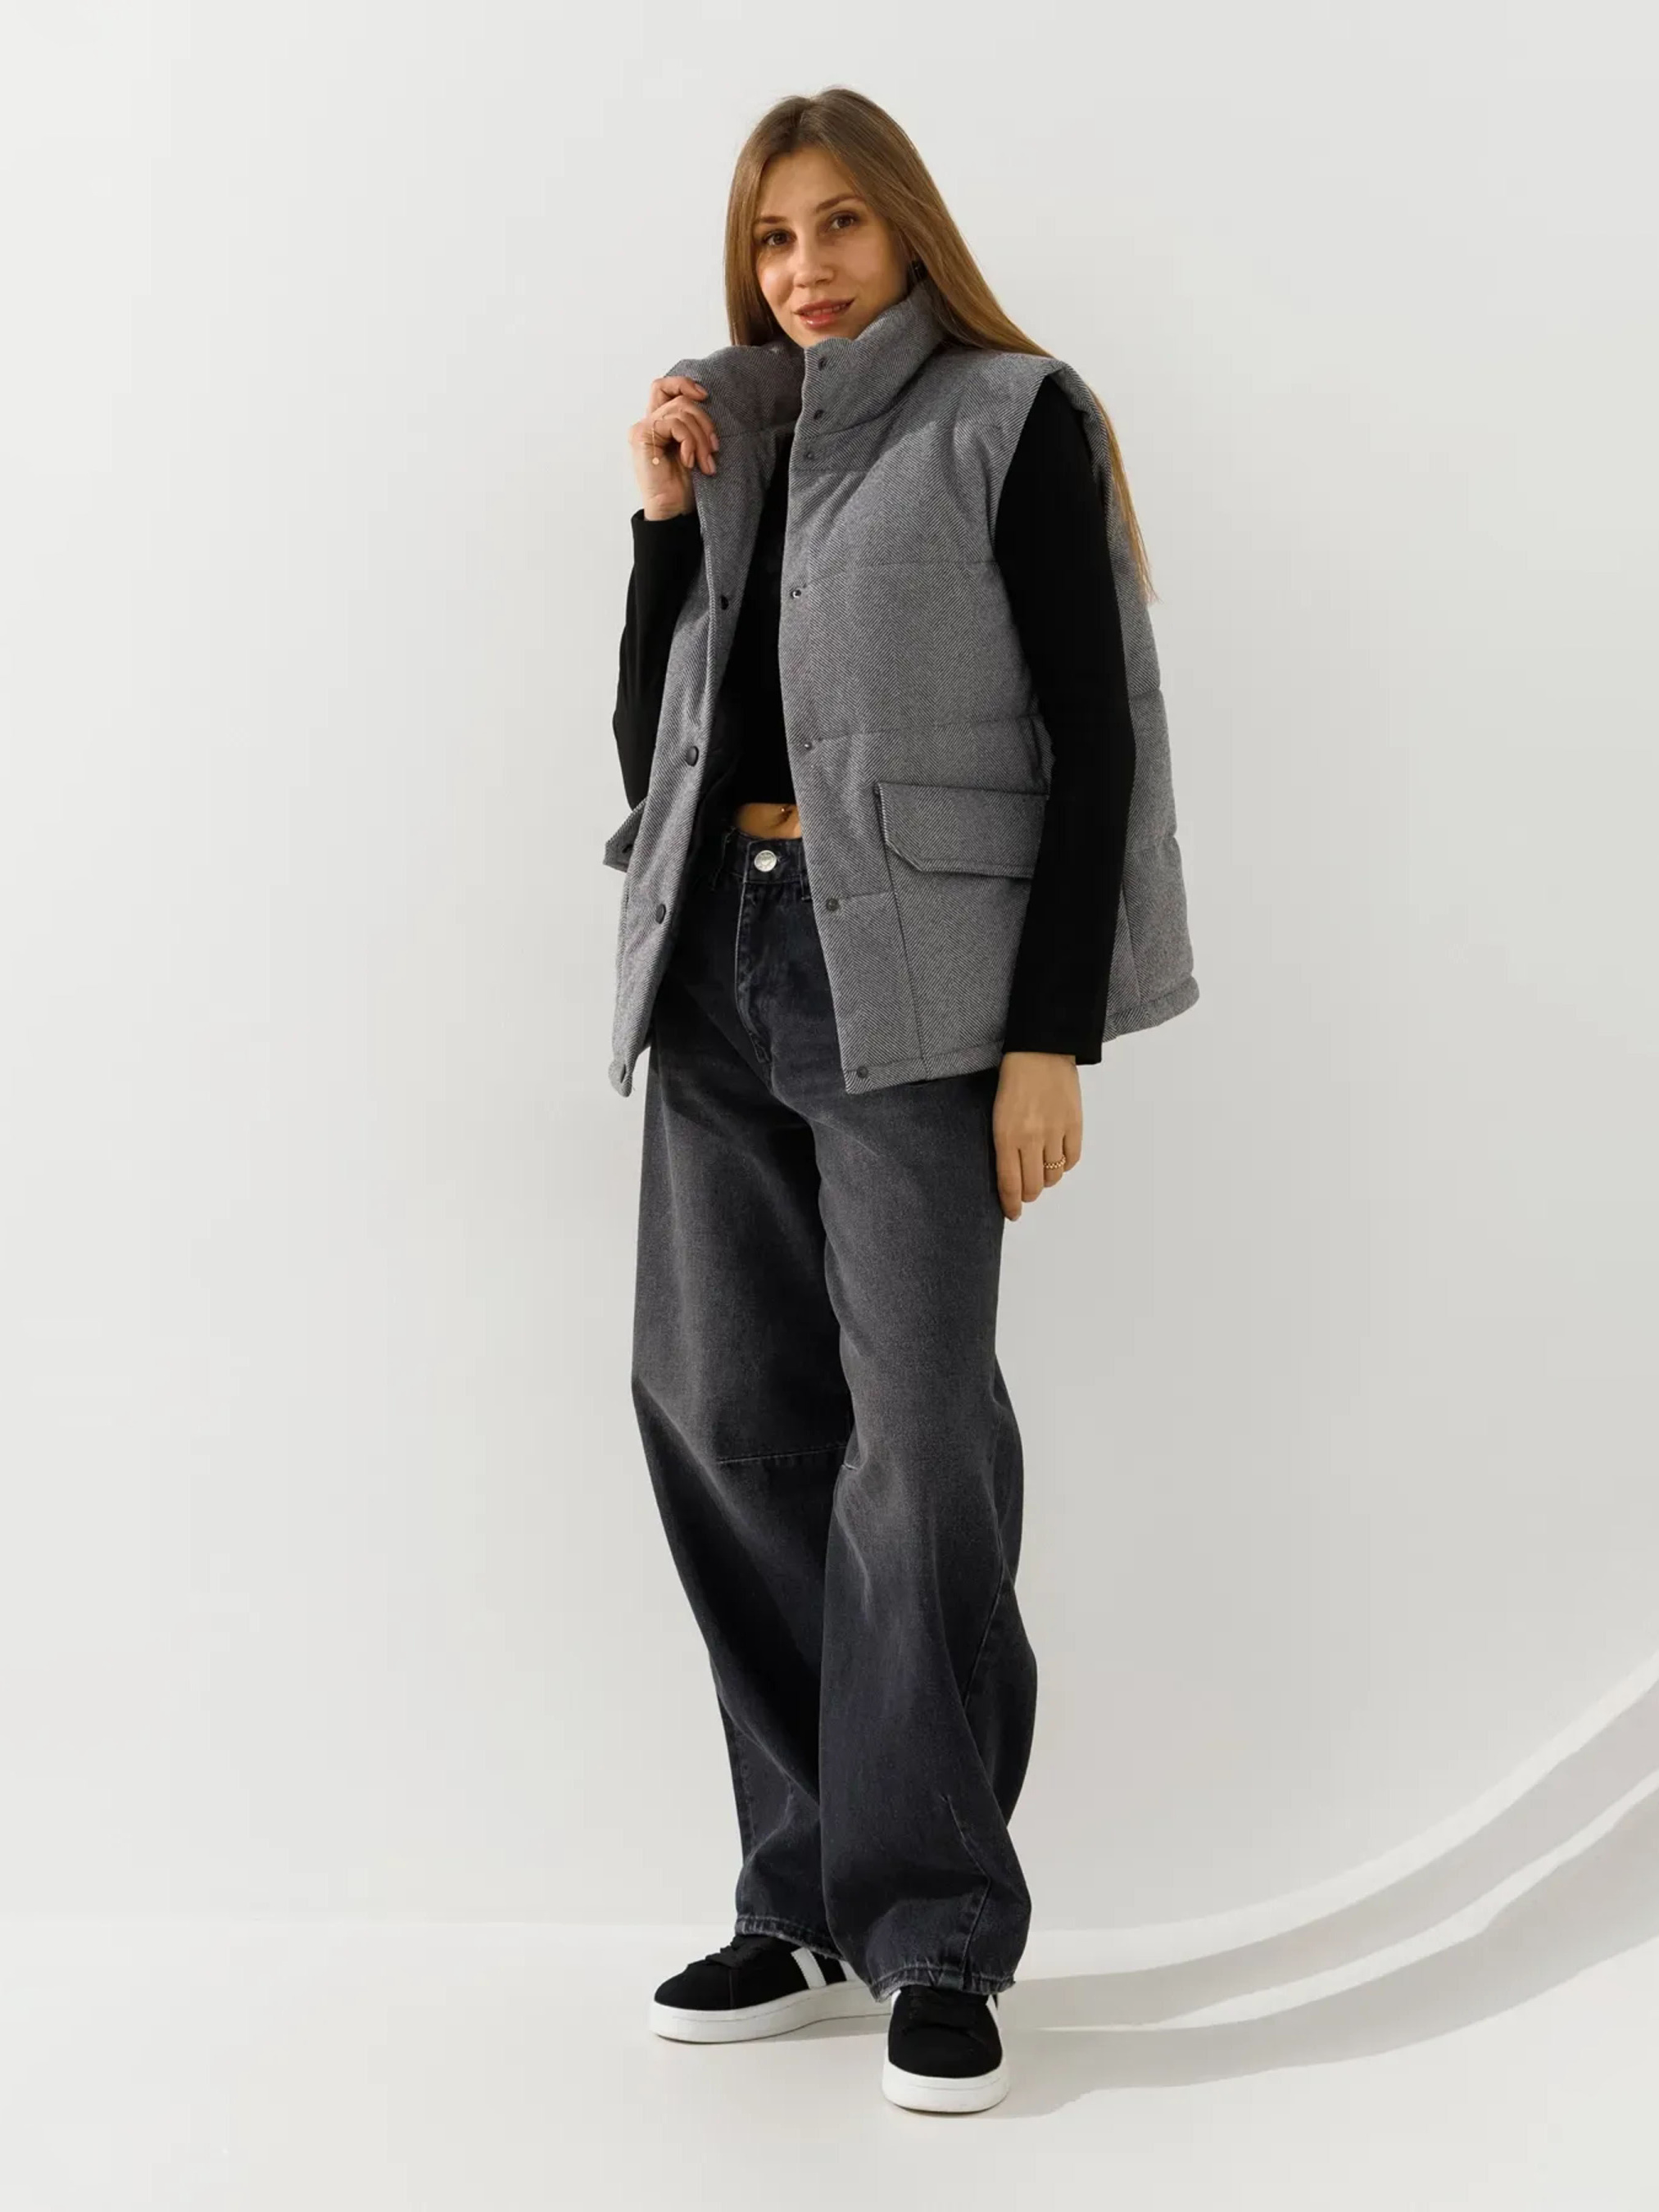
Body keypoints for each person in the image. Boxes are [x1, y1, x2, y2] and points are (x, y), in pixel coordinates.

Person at [604, 86, 1199, 2114]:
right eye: (773, 238)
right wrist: (661, 529)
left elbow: (1096, 742)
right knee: (726, 1422)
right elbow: (659, 752)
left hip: (914, 990)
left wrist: (1050, 1040)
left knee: (917, 1453)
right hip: (715, 965)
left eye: (841, 225)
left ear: (909, 230)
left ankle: (933, 1927)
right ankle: (797, 1896)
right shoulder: (734, 433)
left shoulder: (1008, 416)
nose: (806, 269)